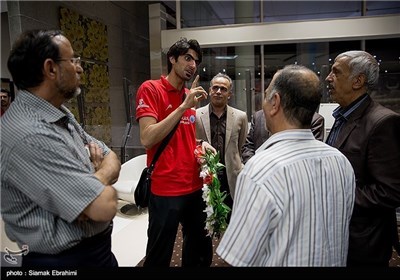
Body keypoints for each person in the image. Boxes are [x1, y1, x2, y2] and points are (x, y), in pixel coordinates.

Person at [1, 29, 121, 267]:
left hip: (95, 251)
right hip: (62, 261)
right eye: (73, 60)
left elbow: (111, 156)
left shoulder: (57, 112)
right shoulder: (30, 134)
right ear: (51, 68)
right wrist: (97, 182)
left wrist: (91, 182)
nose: (80, 67)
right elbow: (104, 206)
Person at [216, 64, 356, 266]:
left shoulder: (261, 170)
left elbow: (240, 257)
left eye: (265, 96)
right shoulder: (341, 161)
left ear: (275, 103)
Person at [135, 37, 216, 267]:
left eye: (196, 61)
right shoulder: (151, 89)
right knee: (159, 255)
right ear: (172, 59)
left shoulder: (187, 97)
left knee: (200, 252)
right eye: (187, 58)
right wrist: (183, 107)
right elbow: (147, 137)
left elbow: (183, 137)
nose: (192, 65)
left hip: (194, 187)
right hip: (165, 189)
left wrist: (200, 145)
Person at [325, 50, 400, 267]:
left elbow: (391, 191)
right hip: (339, 236)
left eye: (336, 73)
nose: (329, 78)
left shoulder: (383, 122)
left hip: (364, 242)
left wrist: (337, 196)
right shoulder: (342, 116)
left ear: (358, 81)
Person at [196, 73, 248, 215]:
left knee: (233, 223)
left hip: (231, 178)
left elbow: (241, 145)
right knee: (204, 222)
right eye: (215, 88)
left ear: (229, 94)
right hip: (205, 178)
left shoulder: (240, 116)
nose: (219, 92)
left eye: (223, 89)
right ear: (210, 90)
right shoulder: (196, 115)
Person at [242, 109, 325, 164]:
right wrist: (255, 167)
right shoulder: (258, 116)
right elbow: (248, 146)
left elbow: (312, 155)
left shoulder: (313, 119)